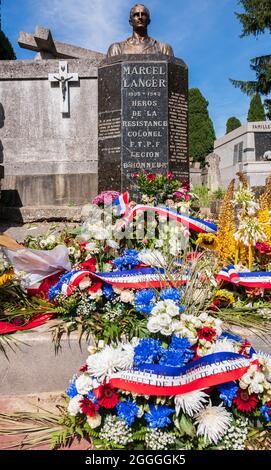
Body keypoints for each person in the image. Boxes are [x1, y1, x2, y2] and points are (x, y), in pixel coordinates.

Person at [107, 4, 174, 58]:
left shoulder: (164, 49)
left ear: (149, 21)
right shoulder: (117, 49)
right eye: (136, 15)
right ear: (130, 22)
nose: (140, 17)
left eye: (143, 14)